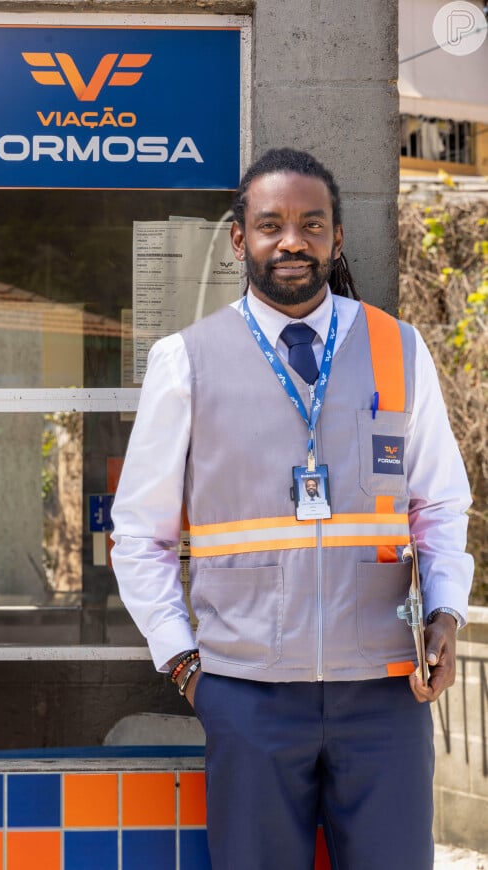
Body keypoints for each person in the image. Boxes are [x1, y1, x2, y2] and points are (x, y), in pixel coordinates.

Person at [111, 148, 473, 870]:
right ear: (240, 239)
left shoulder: (398, 348)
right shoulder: (186, 360)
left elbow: (439, 503)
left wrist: (447, 614)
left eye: (312, 224)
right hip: (248, 694)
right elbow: (139, 535)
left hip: (384, 691)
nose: (292, 241)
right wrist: (185, 664)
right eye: (271, 224)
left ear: (337, 238)